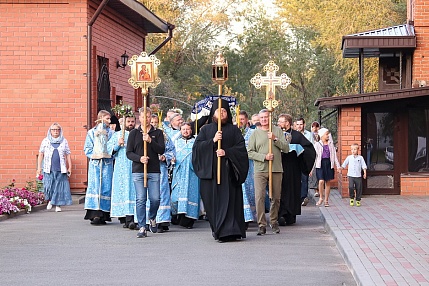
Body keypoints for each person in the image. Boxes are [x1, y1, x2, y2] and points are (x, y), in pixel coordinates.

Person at [192, 99, 249, 242]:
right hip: (211, 174)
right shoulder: (206, 130)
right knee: (213, 203)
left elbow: (241, 150)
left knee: (230, 203)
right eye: (219, 111)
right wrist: (212, 141)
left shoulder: (234, 130)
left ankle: (231, 231)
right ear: (213, 113)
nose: (221, 113)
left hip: (229, 173)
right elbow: (197, 149)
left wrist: (227, 152)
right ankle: (218, 229)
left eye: (224, 111)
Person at [248, 109, 289, 235]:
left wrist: (275, 139)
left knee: (276, 197)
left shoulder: (277, 131)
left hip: (275, 168)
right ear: (259, 119)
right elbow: (249, 152)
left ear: (270, 118)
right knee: (259, 197)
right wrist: (264, 157)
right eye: (262, 118)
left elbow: (286, 149)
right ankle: (261, 224)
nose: (264, 120)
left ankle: (274, 221)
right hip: (260, 169)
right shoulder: (255, 134)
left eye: (266, 117)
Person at [126, 107, 165, 238]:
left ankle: (152, 217)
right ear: (139, 118)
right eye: (143, 117)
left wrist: (150, 141)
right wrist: (139, 158)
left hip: (153, 169)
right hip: (138, 170)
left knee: (155, 198)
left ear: (150, 118)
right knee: (141, 199)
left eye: (148, 117)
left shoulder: (157, 133)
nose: (145, 119)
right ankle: (142, 226)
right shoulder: (134, 133)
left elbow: (161, 149)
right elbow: (129, 153)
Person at [277, 114, 315, 226]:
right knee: (280, 190)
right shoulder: (276, 134)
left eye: (281, 121)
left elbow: (309, 149)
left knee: (292, 190)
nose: (279, 123)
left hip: (293, 168)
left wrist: (299, 151)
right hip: (279, 166)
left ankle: (290, 215)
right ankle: (281, 215)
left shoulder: (297, 135)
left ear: (287, 123)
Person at [84, 110, 114, 225]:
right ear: (100, 118)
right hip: (95, 164)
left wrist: (109, 154)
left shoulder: (111, 133)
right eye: (107, 119)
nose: (109, 121)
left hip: (106, 164)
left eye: (109, 119)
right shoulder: (92, 132)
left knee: (106, 187)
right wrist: (95, 155)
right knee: (95, 187)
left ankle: (104, 214)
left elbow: (113, 146)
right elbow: (87, 148)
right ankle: (94, 214)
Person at [107, 115, 138, 229]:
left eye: (132, 121)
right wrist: (117, 145)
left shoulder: (137, 134)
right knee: (123, 190)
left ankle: (133, 217)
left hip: (134, 165)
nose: (130, 123)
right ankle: (124, 217)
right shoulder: (117, 135)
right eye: (128, 121)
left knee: (134, 191)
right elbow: (109, 150)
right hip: (121, 167)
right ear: (124, 123)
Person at [37, 123, 72, 212]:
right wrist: (39, 168)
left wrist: (70, 167)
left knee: (58, 186)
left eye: (57, 130)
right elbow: (41, 154)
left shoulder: (64, 141)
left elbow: (68, 154)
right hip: (48, 168)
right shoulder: (45, 141)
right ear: (50, 131)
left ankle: (57, 204)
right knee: (49, 186)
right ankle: (50, 200)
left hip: (61, 168)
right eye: (54, 130)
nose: (56, 131)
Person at [171, 122, 200, 229]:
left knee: (190, 195)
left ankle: (188, 220)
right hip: (178, 172)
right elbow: (170, 154)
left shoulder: (196, 142)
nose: (186, 131)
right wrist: (172, 160)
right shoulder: (176, 142)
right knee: (175, 197)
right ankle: (175, 217)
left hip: (192, 173)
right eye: (183, 129)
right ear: (180, 131)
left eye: (188, 129)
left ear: (191, 130)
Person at [313, 128, 341, 207]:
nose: (328, 135)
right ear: (322, 135)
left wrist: (338, 166)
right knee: (321, 181)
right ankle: (321, 197)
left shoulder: (331, 144)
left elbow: (334, 156)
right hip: (320, 164)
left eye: (328, 134)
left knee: (328, 182)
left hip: (328, 164)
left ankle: (326, 200)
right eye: (326, 134)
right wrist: (311, 169)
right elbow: (315, 157)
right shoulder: (317, 145)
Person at [238, 111, 257, 225]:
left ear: (247, 120)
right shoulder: (234, 132)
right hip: (238, 164)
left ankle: (251, 214)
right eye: (239, 119)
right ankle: (242, 215)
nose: (241, 121)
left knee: (250, 189)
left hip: (251, 164)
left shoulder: (253, 132)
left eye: (242, 119)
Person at [295, 117, 314, 206]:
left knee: (304, 179)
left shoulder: (309, 135)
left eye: (301, 124)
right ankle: (296, 197)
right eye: (298, 124)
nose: (299, 126)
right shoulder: (292, 134)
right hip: (295, 160)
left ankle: (303, 197)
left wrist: (311, 166)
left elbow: (312, 149)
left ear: (304, 125)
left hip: (305, 160)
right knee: (296, 179)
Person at [309, 121, 320, 197]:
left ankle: (320, 189)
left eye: (316, 127)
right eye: (313, 127)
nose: (315, 128)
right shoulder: (310, 135)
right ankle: (316, 190)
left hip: (320, 155)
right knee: (314, 173)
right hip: (313, 155)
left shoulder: (321, 135)